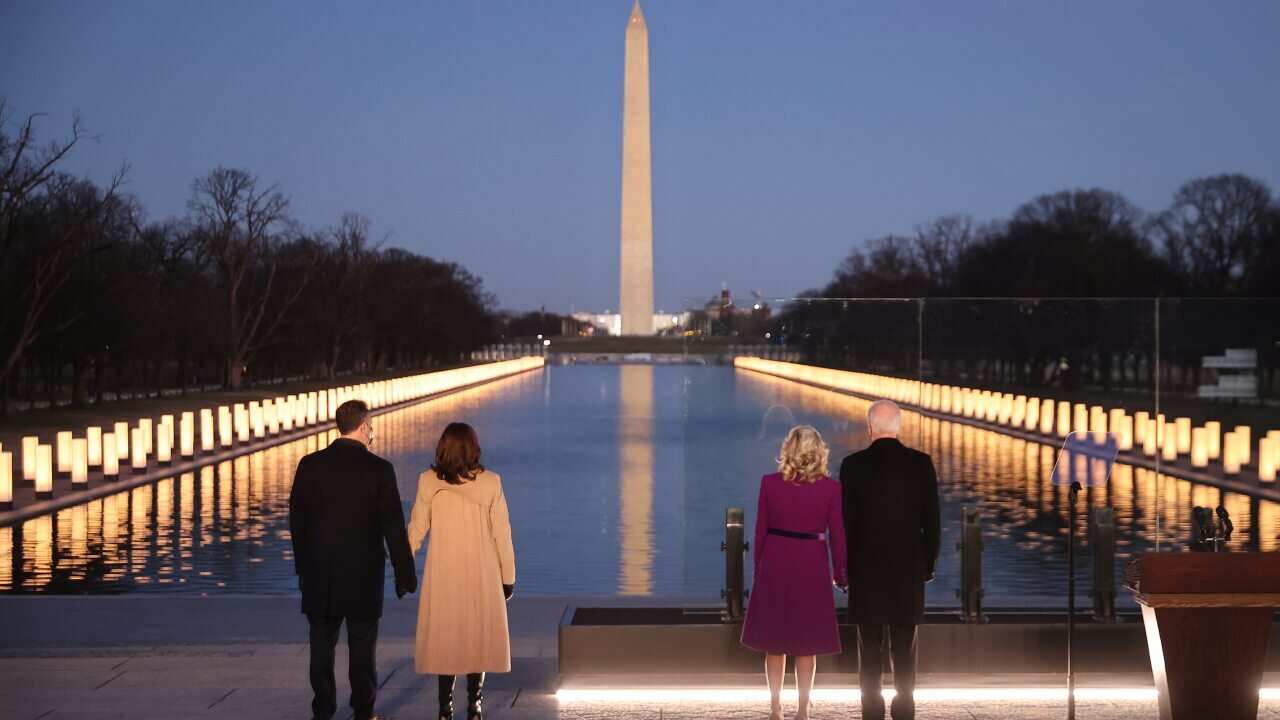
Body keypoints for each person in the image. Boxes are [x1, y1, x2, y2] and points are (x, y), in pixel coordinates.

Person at [289, 399, 417, 720]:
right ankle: (363, 710)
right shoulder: (380, 470)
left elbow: (297, 523)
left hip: (320, 575)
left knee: (321, 648)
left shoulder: (309, 465)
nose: (371, 433)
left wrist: (303, 568)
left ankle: (323, 710)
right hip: (363, 576)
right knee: (362, 650)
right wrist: (405, 575)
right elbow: (393, 528)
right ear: (363, 427)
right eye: (370, 427)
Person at [839, 400, 941, 720]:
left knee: (869, 646)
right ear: (899, 427)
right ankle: (904, 707)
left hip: (865, 571)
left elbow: (846, 524)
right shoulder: (921, 464)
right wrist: (927, 566)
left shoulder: (852, 465)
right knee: (904, 645)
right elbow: (932, 522)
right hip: (907, 571)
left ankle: (872, 710)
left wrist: (844, 569)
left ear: (870, 428)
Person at [407, 422, 516, 720]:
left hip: (444, 574)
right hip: (482, 573)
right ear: (473, 448)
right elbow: (502, 535)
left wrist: (403, 564)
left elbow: (416, 528)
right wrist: (508, 578)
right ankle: (475, 704)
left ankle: (445, 708)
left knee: (446, 639)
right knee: (476, 637)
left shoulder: (428, 482)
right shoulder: (491, 483)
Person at [741, 425, 847, 720]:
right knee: (806, 643)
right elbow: (838, 537)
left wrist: (759, 570)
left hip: (775, 562)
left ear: (788, 449)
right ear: (819, 452)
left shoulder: (769, 483)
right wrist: (840, 574)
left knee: (774, 643)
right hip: (812, 564)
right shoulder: (831, 488)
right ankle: (802, 709)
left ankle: (775, 706)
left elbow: (760, 531)